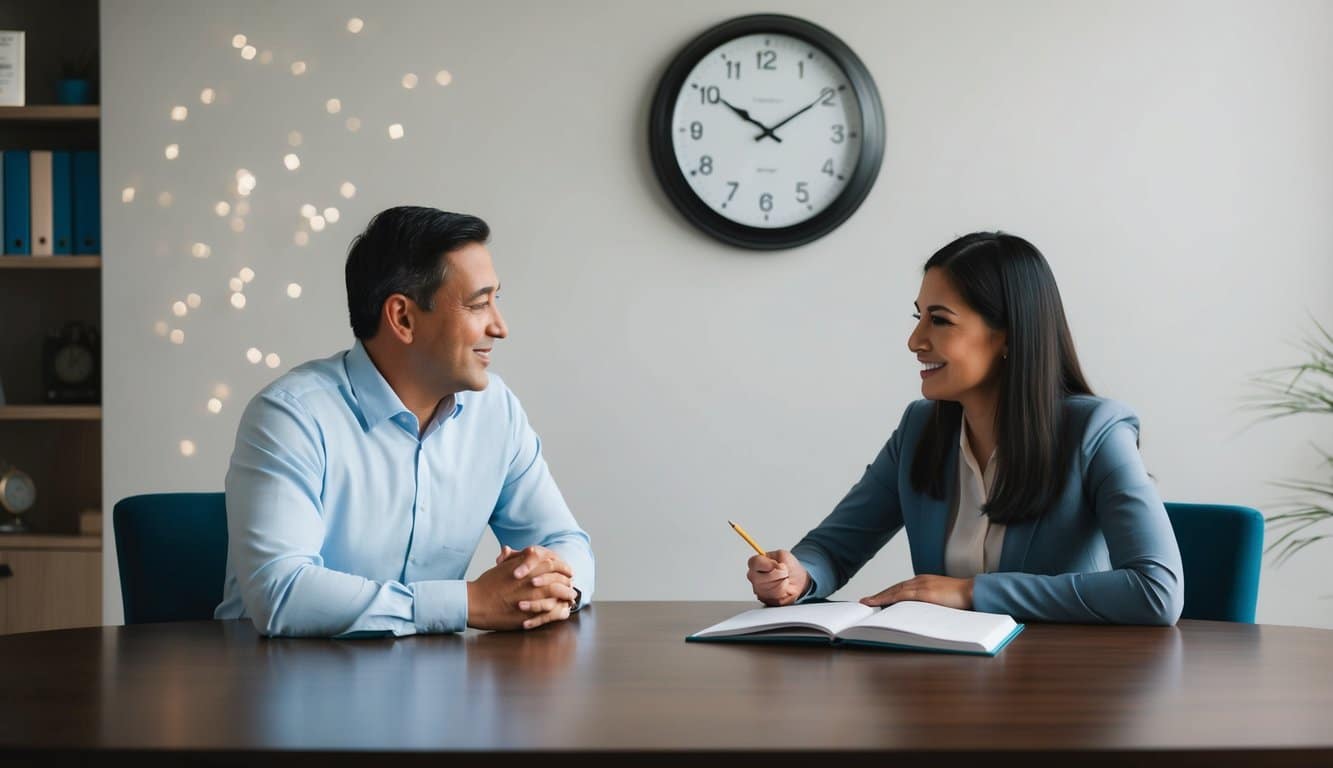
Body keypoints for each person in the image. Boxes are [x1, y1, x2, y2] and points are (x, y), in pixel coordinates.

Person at [745, 232, 1183, 625]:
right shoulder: (919, 429)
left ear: (1008, 335)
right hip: (943, 684)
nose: (915, 341)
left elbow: (1156, 590)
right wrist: (797, 576)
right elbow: (834, 548)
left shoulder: (1096, 432)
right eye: (918, 317)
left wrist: (968, 592)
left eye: (939, 320)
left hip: (1058, 687)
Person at [216, 206, 593, 637]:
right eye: (479, 304)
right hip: (279, 678)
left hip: (436, 683)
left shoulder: (495, 410)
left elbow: (567, 543)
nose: (500, 326)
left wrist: (553, 588)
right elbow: (280, 593)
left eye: (497, 300)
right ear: (403, 318)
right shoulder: (290, 416)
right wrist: (469, 602)